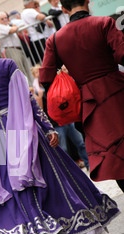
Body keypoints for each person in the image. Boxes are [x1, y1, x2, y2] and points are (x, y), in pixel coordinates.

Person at [0, 26, 119, 234]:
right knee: (48, 178)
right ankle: (64, 233)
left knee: (15, 187)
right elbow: (26, 103)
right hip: (22, 128)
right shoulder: (6, 66)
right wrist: (47, 127)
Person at [39, 0, 124, 192]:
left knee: (115, 159)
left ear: (63, 9)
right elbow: (122, 55)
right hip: (117, 91)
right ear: (88, 2)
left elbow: (45, 79)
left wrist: (68, 79)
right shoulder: (104, 23)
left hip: (89, 105)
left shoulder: (54, 40)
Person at [0, 11, 33, 84]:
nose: (5, 20)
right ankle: (27, 88)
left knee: (27, 70)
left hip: (18, 49)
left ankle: (31, 87)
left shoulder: (8, 25)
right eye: (2, 19)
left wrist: (14, 26)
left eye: (6, 18)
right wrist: (15, 26)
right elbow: (13, 30)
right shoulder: (0, 27)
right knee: (20, 70)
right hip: (11, 50)